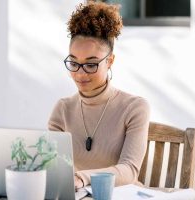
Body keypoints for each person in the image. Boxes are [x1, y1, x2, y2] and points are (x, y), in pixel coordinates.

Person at [48, 1, 150, 189]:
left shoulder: (134, 107)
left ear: (110, 61)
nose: (80, 73)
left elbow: (129, 170)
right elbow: (53, 166)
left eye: (91, 64)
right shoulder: (62, 109)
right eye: (73, 62)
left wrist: (82, 178)